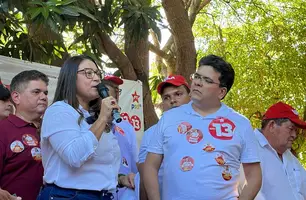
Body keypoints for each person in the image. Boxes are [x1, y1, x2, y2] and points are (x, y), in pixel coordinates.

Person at [143, 55, 262, 200]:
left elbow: (254, 176)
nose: (198, 83)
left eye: (207, 80)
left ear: (221, 92)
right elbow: (150, 166)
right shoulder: (169, 118)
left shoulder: (240, 123)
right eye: (197, 77)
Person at [37, 55, 133, 200]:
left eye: (97, 73)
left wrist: (119, 180)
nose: (96, 79)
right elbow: (74, 156)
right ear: (70, 77)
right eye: (88, 73)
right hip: (68, 196)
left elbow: (100, 169)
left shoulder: (93, 116)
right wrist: (102, 118)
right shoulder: (59, 111)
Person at [138, 75, 191, 200]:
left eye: (178, 94)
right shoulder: (151, 133)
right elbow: (144, 172)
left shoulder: (204, 127)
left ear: (191, 97)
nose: (172, 100)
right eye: (166, 97)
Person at [0, 70, 49, 200]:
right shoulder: (3, 130)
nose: (44, 97)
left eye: (46, 93)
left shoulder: (52, 130)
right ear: (16, 97)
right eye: (36, 92)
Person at [252, 102, 306, 200]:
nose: (294, 135)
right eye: (291, 129)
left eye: (296, 131)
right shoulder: (248, 149)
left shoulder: (290, 157)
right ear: (272, 125)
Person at [102, 75, 138, 200]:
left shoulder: (126, 127)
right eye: (110, 91)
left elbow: (134, 162)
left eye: (117, 91)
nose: (115, 96)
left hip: (124, 194)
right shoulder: (90, 124)